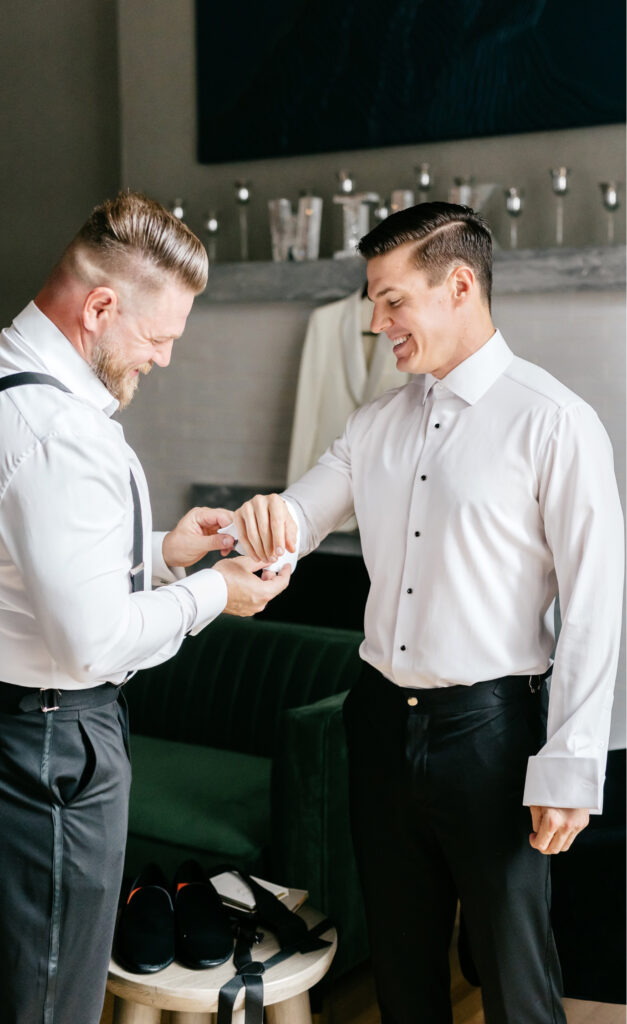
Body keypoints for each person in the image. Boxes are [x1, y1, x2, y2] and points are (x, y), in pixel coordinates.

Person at [230, 202, 624, 1024]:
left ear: (457, 284)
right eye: (371, 302)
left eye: (390, 299)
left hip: (491, 736)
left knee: (515, 980)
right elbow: (297, 519)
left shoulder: (554, 422)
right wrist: (259, 526)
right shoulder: (371, 424)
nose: (375, 324)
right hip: (374, 724)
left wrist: (569, 767)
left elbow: (595, 605)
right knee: (405, 976)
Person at [0, 191, 290, 1024]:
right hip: (52, 749)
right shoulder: (57, 430)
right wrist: (217, 591)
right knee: (53, 997)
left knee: (17, 974)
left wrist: (163, 547)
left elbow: (27, 554)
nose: (163, 359)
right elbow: (94, 642)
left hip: (1, 727)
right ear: (100, 306)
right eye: (158, 337)